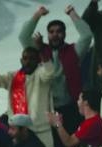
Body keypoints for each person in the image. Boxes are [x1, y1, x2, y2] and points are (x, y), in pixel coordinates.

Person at [18, 4, 93, 137]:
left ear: (64, 34)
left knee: (72, 143)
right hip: (46, 109)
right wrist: (38, 14)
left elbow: (87, 35)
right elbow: (23, 37)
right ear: (47, 34)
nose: (55, 35)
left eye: (59, 31)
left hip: (71, 108)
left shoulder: (74, 51)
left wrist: (72, 13)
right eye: (51, 32)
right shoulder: (38, 51)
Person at [0, 48, 60, 147]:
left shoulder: (41, 75)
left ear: (38, 60)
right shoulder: (13, 76)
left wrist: (44, 54)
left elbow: (49, 73)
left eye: (32, 58)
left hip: (40, 130)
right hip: (18, 131)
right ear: (21, 60)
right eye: (25, 58)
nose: (28, 61)